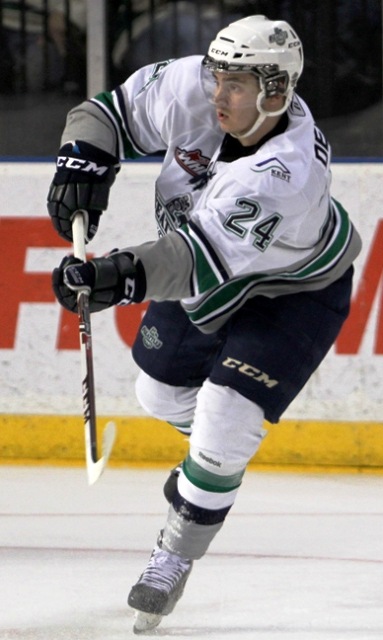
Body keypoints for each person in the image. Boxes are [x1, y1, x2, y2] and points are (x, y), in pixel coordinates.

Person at [47, 15, 362, 633]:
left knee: (225, 414)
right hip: (207, 268)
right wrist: (82, 165)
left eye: (237, 84)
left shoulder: (287, 173)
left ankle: (174, 552)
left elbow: (188, 261)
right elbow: (106, 112)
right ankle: (210, 472)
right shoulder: (195, 86)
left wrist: (114, 275)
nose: (217, 93)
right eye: (218, 76)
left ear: (276, 91)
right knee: (156, 391)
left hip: (293, 291)